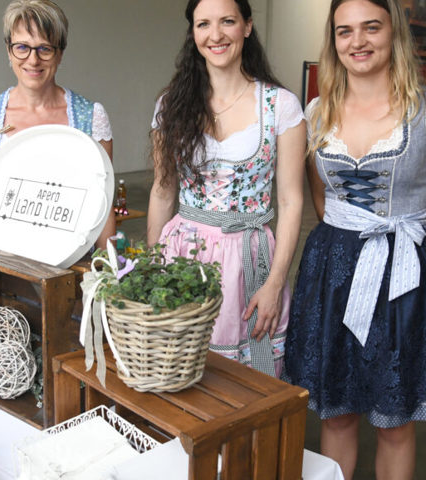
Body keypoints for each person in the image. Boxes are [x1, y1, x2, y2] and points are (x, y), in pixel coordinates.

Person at [283, 1, 426, 479]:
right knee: (337, 410)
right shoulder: (317, 111)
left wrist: (408, 265)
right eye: (345, 32)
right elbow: (323, 204)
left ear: (395, 33)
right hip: (330, 278)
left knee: (394, 420)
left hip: (402, 283)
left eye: (371, 27)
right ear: (333, 41)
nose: (358, 41)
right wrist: (344, 254)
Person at [147, 0, 306, 378]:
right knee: (177, 370)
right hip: (183, 255)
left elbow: (290, 200)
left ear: (247, 27)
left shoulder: (281, 105)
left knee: (247, 385)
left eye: (227, 22)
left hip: (249, 259)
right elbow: (162, 191)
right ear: (193, 33)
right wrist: (153, 266)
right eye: (204, 24)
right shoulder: (171, 104)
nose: (215, 35)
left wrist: (276, 281)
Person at [0, 0, 116, 248]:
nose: (33, 60)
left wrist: (105, 275)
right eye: (22, 47)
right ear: (8, 50)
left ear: (60, 53)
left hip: (70, 263)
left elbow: (103, 206)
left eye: (45, 49)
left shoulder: (90, 117)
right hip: (4, 262)